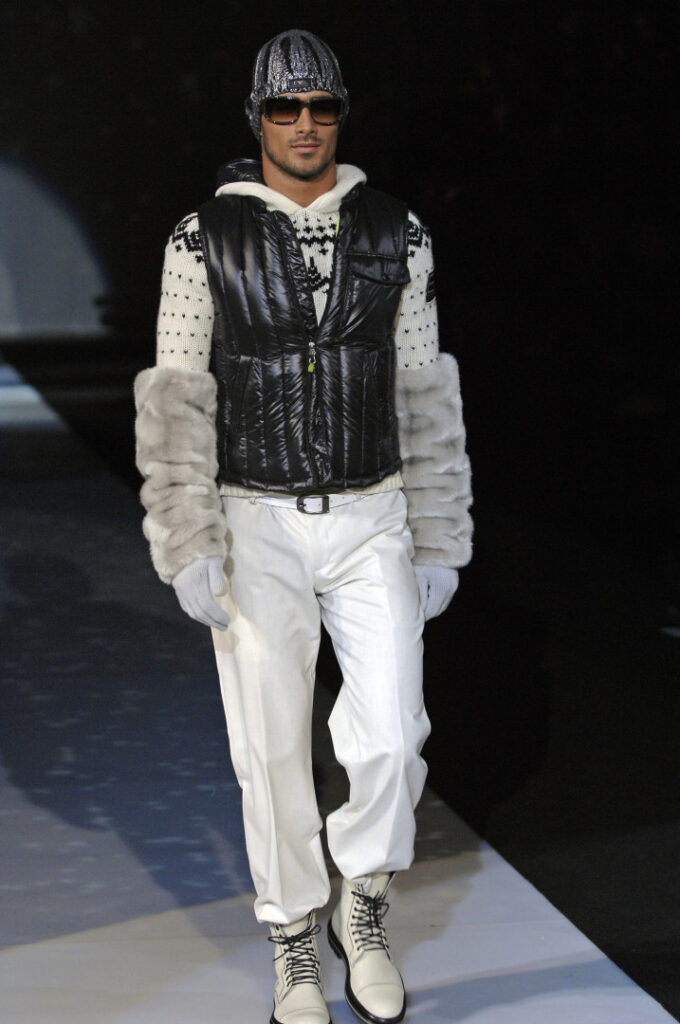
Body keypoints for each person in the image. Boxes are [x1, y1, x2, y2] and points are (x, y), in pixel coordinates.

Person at [134, 29, 472, 1024]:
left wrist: (438, 533)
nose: (304, 124)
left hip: (372, 513)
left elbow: (423, 394)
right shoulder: (200, 239)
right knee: (272, 746)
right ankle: (293, 935)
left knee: (393, 735)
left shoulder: (398, 232)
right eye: (285, 108)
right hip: (255, 518)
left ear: (341, 114)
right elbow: (177, 397)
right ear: (257, 117)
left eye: (321, 106)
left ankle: (362, 905)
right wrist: (188, 537)